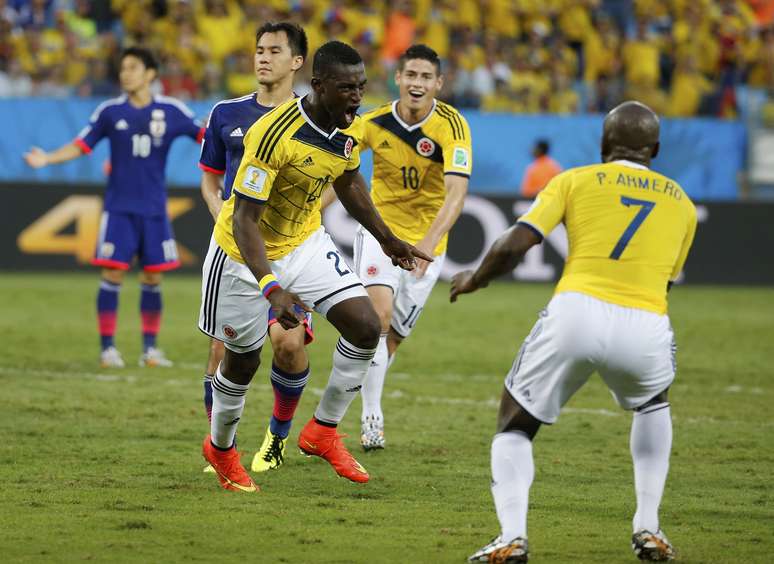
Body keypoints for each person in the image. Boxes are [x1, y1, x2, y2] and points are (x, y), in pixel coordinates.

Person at [453, 101, 696, 562]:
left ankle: (512, 536)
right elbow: (666, 278)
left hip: (577, 310)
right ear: (656, 149)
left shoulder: (574, 179)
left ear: (604, 144)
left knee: (515, 422)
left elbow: (514, 245)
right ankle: (649, 526)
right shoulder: (682, 203)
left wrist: (475, 278)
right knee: (653, 404)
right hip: (645, 319)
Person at [198, 40, 432, 493]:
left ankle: (322, 430)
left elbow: (347, 179)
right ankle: (221, 449)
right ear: (319, 86)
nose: (357, 97)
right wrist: (271, 288)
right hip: (240, 256)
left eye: (361, 87)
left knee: (366, 326)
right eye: (347, 88)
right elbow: (244, 218)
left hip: (304, 243)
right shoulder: (271, 135)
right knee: (241, 362)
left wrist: (387, 239)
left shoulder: (347, 130)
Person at [324, 44, 472, 451]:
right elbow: (339, 170)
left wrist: (427, 243)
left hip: (427, 244)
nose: (417, 83)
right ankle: (372, 416)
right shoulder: (373, 122)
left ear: (438, 84)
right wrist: (309, 209)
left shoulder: (453, 127)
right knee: (378, 317)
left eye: (426, 77)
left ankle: (353, 392)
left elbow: (456, 195)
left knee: (393, 338)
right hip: (381, 235)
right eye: (411, 75)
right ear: (398, 79)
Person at [23, 47, 204, 369]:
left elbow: (204, 136)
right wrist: (47, 158)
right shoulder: (109, 111)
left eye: (133, 67)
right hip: (119, 208)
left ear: (150, 74)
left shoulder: (172, 110)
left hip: (155, 210)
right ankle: (108, 349)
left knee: (152, 279)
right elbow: (82, 144)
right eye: (122, 68)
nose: (125, 74)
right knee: (112, 273)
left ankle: (150, 350)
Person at [198, 22, 315, 475]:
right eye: (259, 50)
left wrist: (296, 223)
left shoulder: (312, 118)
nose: (263, 58)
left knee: (288, 342)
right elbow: (210, 179)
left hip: (289, 251)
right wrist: (227, 223)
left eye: (274, 51)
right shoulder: (226, 113)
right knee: (222, 352)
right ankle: (219, 447)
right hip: (234, 252)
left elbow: (333, 184)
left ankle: (277, 438)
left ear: (297, 61)